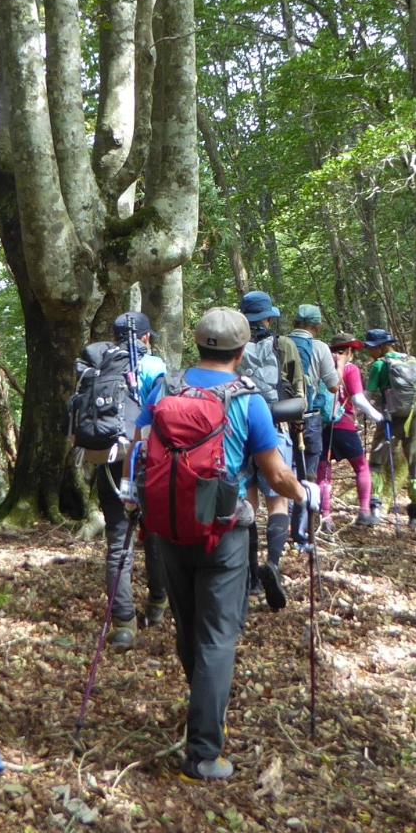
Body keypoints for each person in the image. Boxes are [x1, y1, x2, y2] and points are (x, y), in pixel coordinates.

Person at [133, 307, 305, 781]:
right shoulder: (247, 400)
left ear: (198, 342)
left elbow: (139, 444)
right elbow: (274, 474)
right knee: (218, 638)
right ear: (243, 350)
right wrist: (302, 493)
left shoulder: (164, 387)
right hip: (224, 532)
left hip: (168, 528)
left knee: (189, 629)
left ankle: (203, 710)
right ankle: (205, 752)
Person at [92, 310, 170, 649]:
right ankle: (157, 603)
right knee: (154, 531)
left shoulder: (98, 366)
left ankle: (124, 623)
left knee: (118, 539)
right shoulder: (153, 366)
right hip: (145, 458)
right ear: (146, 338)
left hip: (106, 458)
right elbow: (166, 414)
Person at [235, 290, 304, 609]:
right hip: (275, 426)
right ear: (268, 318)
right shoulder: (284, 345)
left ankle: (249, 580)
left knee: (247, 504)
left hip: (238, 429)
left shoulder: (234, 347)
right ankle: (273, 564)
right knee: (278, 500)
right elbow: (299, 388)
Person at [362, 328, 416, 526]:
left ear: (381, 347)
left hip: (389, 418)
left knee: (377, 462)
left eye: (371, 348)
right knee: (415, 462)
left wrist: (366, 414)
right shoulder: (410, 361)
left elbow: (367, 396)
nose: (369, 352)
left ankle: (375, 509)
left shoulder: (379, 365)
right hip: (415, 416)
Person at [286, 304, 341, 543]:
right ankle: (302, 532)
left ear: (294, 322)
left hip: (282, 417)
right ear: (317, 327)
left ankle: (282, 521)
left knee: (285, 468)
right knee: (308, 472)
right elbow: (333, 385)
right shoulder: (320, 348)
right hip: (311, 418)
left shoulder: (279, 344)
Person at [325, 333, 378, 525]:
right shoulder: (350, 369)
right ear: (348, 350)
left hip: (323, 426)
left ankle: (326, 516)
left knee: (324, 471)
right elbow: (357, 398)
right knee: (362, 467)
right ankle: (364, 511)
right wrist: (376, 415)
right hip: (345, 425)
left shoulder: (322, 369)